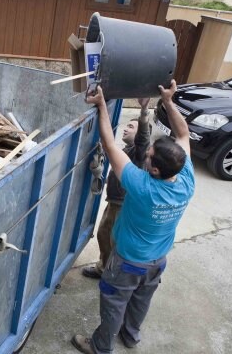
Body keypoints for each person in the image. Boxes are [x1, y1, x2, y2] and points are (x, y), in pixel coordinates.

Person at [72, 80, 195, 354]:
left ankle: (101, 346)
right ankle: (130, 336)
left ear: (153, 170)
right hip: (157, 260)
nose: (146, 154)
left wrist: (102, 104)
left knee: (114, 302)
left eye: (148, 156)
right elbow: (184, 133)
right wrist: (168, 101)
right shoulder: (186, 180)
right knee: (141, 300)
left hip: (128, 262)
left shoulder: (142, 187)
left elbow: (108, 143)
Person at [82, 98, 151, 279]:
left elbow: (144, 137)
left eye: (131, 127)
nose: (126, 128)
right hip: (113, 202)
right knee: (103, 235)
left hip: (122, 205)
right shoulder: (127, 150)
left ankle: (112, 274)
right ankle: (103, 267)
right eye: (126, 125)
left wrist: (144, 111)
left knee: (114, 241)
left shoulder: (139, 152)